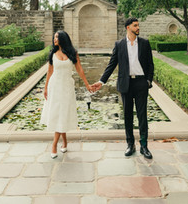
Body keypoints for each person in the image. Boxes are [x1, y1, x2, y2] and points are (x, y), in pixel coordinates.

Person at [92, 17, 154, 159]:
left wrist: (148, 81)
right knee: (127, 116)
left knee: (142, 116)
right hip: (125, 84)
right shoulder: (119, 44)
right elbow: (112, 64)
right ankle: (130, 144)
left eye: (138, 25)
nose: (138, 28)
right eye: (135, 25)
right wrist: (101, 81)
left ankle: (144, 146)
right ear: (128, 28)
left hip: (141, 84)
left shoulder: (144, 43)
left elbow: (150, 64)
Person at [40, 30, 93, 158]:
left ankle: (63, 142)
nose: (55, 39)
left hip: (67, 87)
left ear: (63, 39)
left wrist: (87, 84)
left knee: (63, 113)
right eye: (54, 37)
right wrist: (45, 88)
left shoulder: (72, 53)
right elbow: (49, 71)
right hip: (55, 86)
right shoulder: (53, 53)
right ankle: (55, 145)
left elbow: (79, 69)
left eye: (57, 37)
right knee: (58, 113)